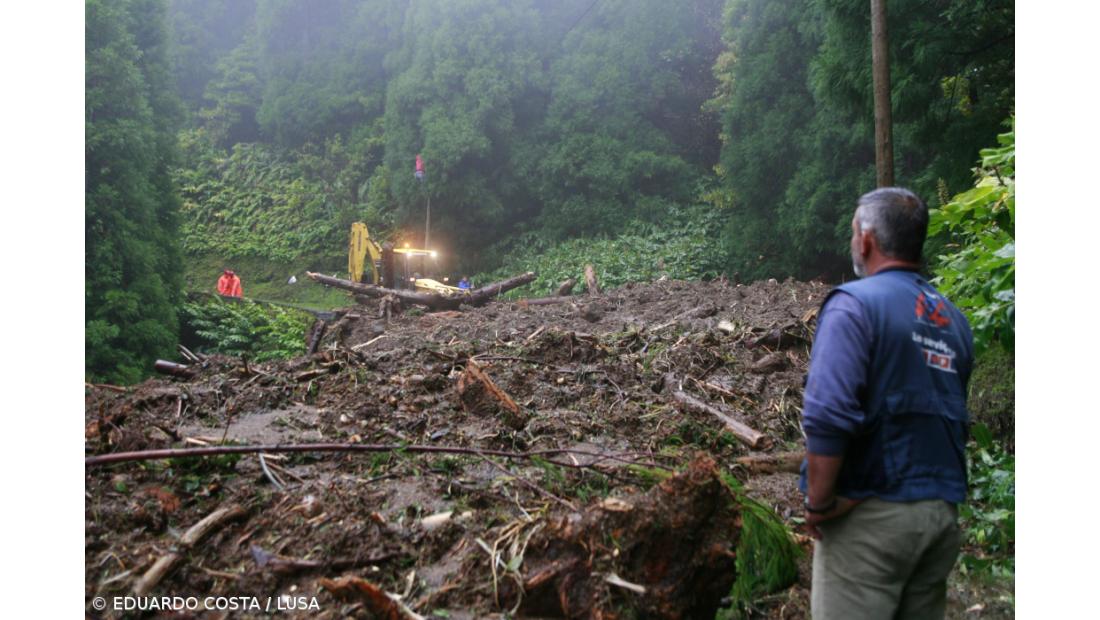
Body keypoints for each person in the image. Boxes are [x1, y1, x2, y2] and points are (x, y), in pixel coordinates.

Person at [800, 187, 974, 619]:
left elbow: (827, 415)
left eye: (853, 231)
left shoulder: (854, 306)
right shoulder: (954, 319)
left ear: (866, 239)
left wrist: (818, 505)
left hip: (871, 522)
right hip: (940, 516)